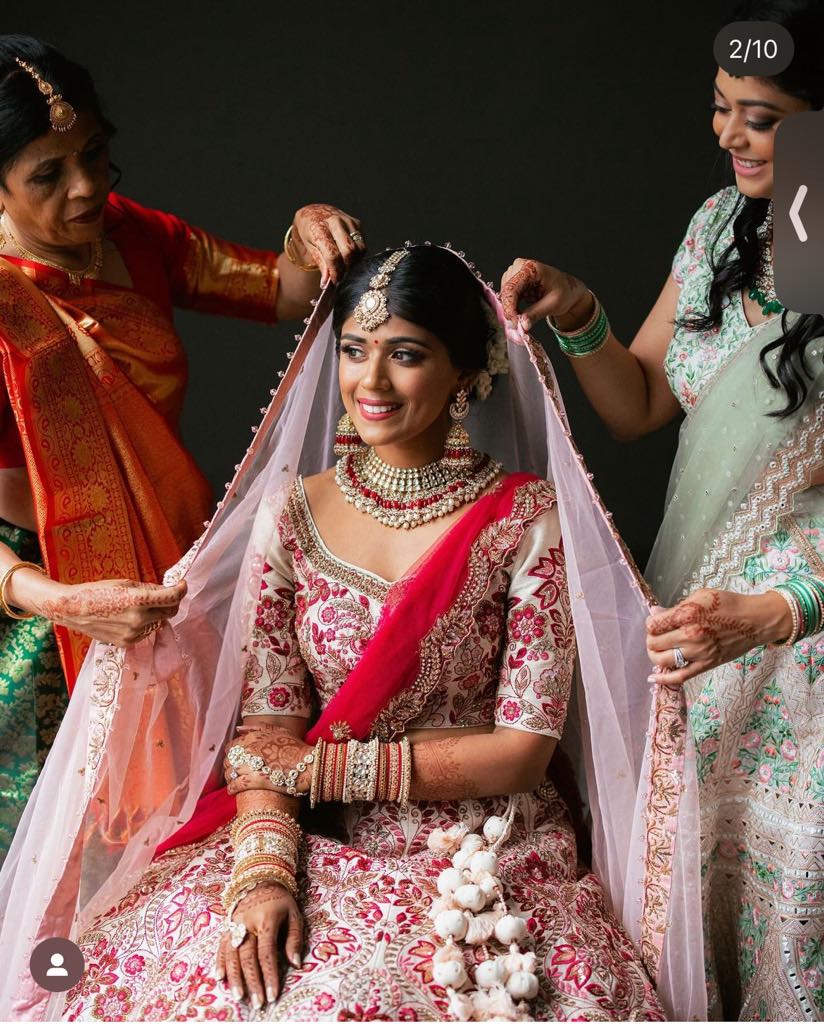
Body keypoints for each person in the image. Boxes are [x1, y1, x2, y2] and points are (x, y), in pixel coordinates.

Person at [0, 244, 689, 1020]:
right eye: (355, 351)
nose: (371, 381)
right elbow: (268, 728)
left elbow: (522, 751)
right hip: (308, 834)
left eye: (406, 355)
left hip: (477, 848)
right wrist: (262, 873)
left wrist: (318, 772)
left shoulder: (526, 518)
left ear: (467, 371)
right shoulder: (290, 514)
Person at [500, 1, 824, 1018]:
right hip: (696, 634)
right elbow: (640, 403)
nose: (728, 135)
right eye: (720, 108)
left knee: (783, 936)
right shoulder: (721, 226)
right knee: (671, 917)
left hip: (800, 652)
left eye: (759, 116)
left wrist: (774, 614)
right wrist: (581, 317)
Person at [0, 34, 364, 861]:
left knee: (189, 840)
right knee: (55, 861)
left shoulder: (129, 238)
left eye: (93, 153)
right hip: (30, 606)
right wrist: (57, 600)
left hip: (171, 575)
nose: (87, 187)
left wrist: (308, 232)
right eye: (47, 175)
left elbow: (287, 291)